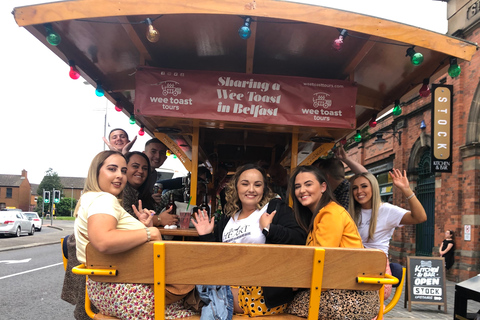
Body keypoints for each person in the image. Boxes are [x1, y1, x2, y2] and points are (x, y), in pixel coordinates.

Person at [73, 150, 195, 319]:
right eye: (112, 169)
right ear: (96, 172)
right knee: (200, 310)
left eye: (123, 171)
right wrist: (149, 232)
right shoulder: (104, 199)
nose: (120, 176)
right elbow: (103, 241)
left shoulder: (89, 198)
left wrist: (143, 226)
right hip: (126, 292)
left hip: (104, 292)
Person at [192, 163, 307, 317]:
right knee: (201, 287)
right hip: (228, 284)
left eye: (257, 185)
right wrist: (206, 236)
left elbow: (300, 238)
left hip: (262, 292)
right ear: (236, 187)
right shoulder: (228, 217)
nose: (251, 189)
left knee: (208, 294)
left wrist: (270, 229)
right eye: (245, 184)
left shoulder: (275, 208)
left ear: (264, 189)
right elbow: (216, 258)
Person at [286, 165, 378, 319]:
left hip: (351, 297)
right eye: (297, 186)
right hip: (347, 292)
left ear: (323, 187)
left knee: (284, 304)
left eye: (308, 184)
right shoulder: (323, 213)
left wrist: (294, 284)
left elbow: (321, 260)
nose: (302, 190)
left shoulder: (330, 213)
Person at [348, 169, 427, 299]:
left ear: (373, 187)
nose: (359, 191)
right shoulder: (349, 212)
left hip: (376, 271)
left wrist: (406, 190)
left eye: (364, 186)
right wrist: (344, 158)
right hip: (353, 269)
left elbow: (420, 217)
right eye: (355, 188)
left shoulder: (386, 210)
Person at [123, 151, 178, 227]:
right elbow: (126, 219)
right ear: (124, 169)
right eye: (135, 166)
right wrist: (158, 219)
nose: (141, 171)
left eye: (145, 168)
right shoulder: (122, 190)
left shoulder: (143, 194)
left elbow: (152, 213)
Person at [143, 138, 168, 204]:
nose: (158, 156)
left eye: (162, 153)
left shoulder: (154, 174)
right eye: (153, 151)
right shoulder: (138, 173)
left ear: (165, 158)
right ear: (144, 154)